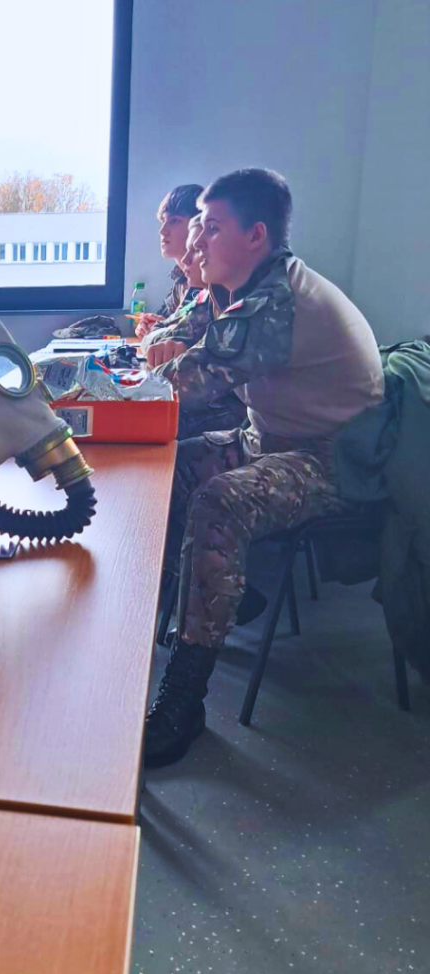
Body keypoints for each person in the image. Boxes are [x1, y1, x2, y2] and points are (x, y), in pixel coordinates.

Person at [144, 168, 385, 768]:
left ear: (256, 236)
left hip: (332, 458)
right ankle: (216, 598)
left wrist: (103, 395)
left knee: (218, 501)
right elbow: (184, 360)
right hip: (272, 440)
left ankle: (183, 703)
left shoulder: (277, 303)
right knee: (172, 465)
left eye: (211, 228)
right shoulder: (248, 288)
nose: (198, 242)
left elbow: (185, 383)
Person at [143, 216, 246, 439]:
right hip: (231, 412)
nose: (185, 260)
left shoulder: (247, 304)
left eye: (197, 250)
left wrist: (134, 384)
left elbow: (188, 381)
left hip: (250, 424)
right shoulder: (212, 296)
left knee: (147, 423)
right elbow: (157, 336)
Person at [134, 184, 204, 341]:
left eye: (174, 221)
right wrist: (148, 325)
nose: (162, 231)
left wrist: (162, 330)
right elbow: (165, 320)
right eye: (163, 221)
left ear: (198, 225)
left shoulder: (209, 279)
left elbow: (190, 336)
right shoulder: (180, 279)